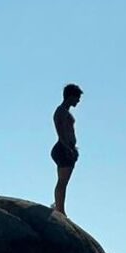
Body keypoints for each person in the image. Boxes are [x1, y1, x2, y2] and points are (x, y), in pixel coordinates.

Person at [51, 83, 83, 216]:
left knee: (63, 181)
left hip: (67, 148)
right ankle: (60, 209)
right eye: (77, 97)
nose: (78, 101)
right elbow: (60, 131)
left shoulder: (65, 112)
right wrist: (67, 147)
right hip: (63, 148)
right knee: (62, 181)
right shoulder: (61, 111)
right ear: (70, 96)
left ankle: (59, 206)